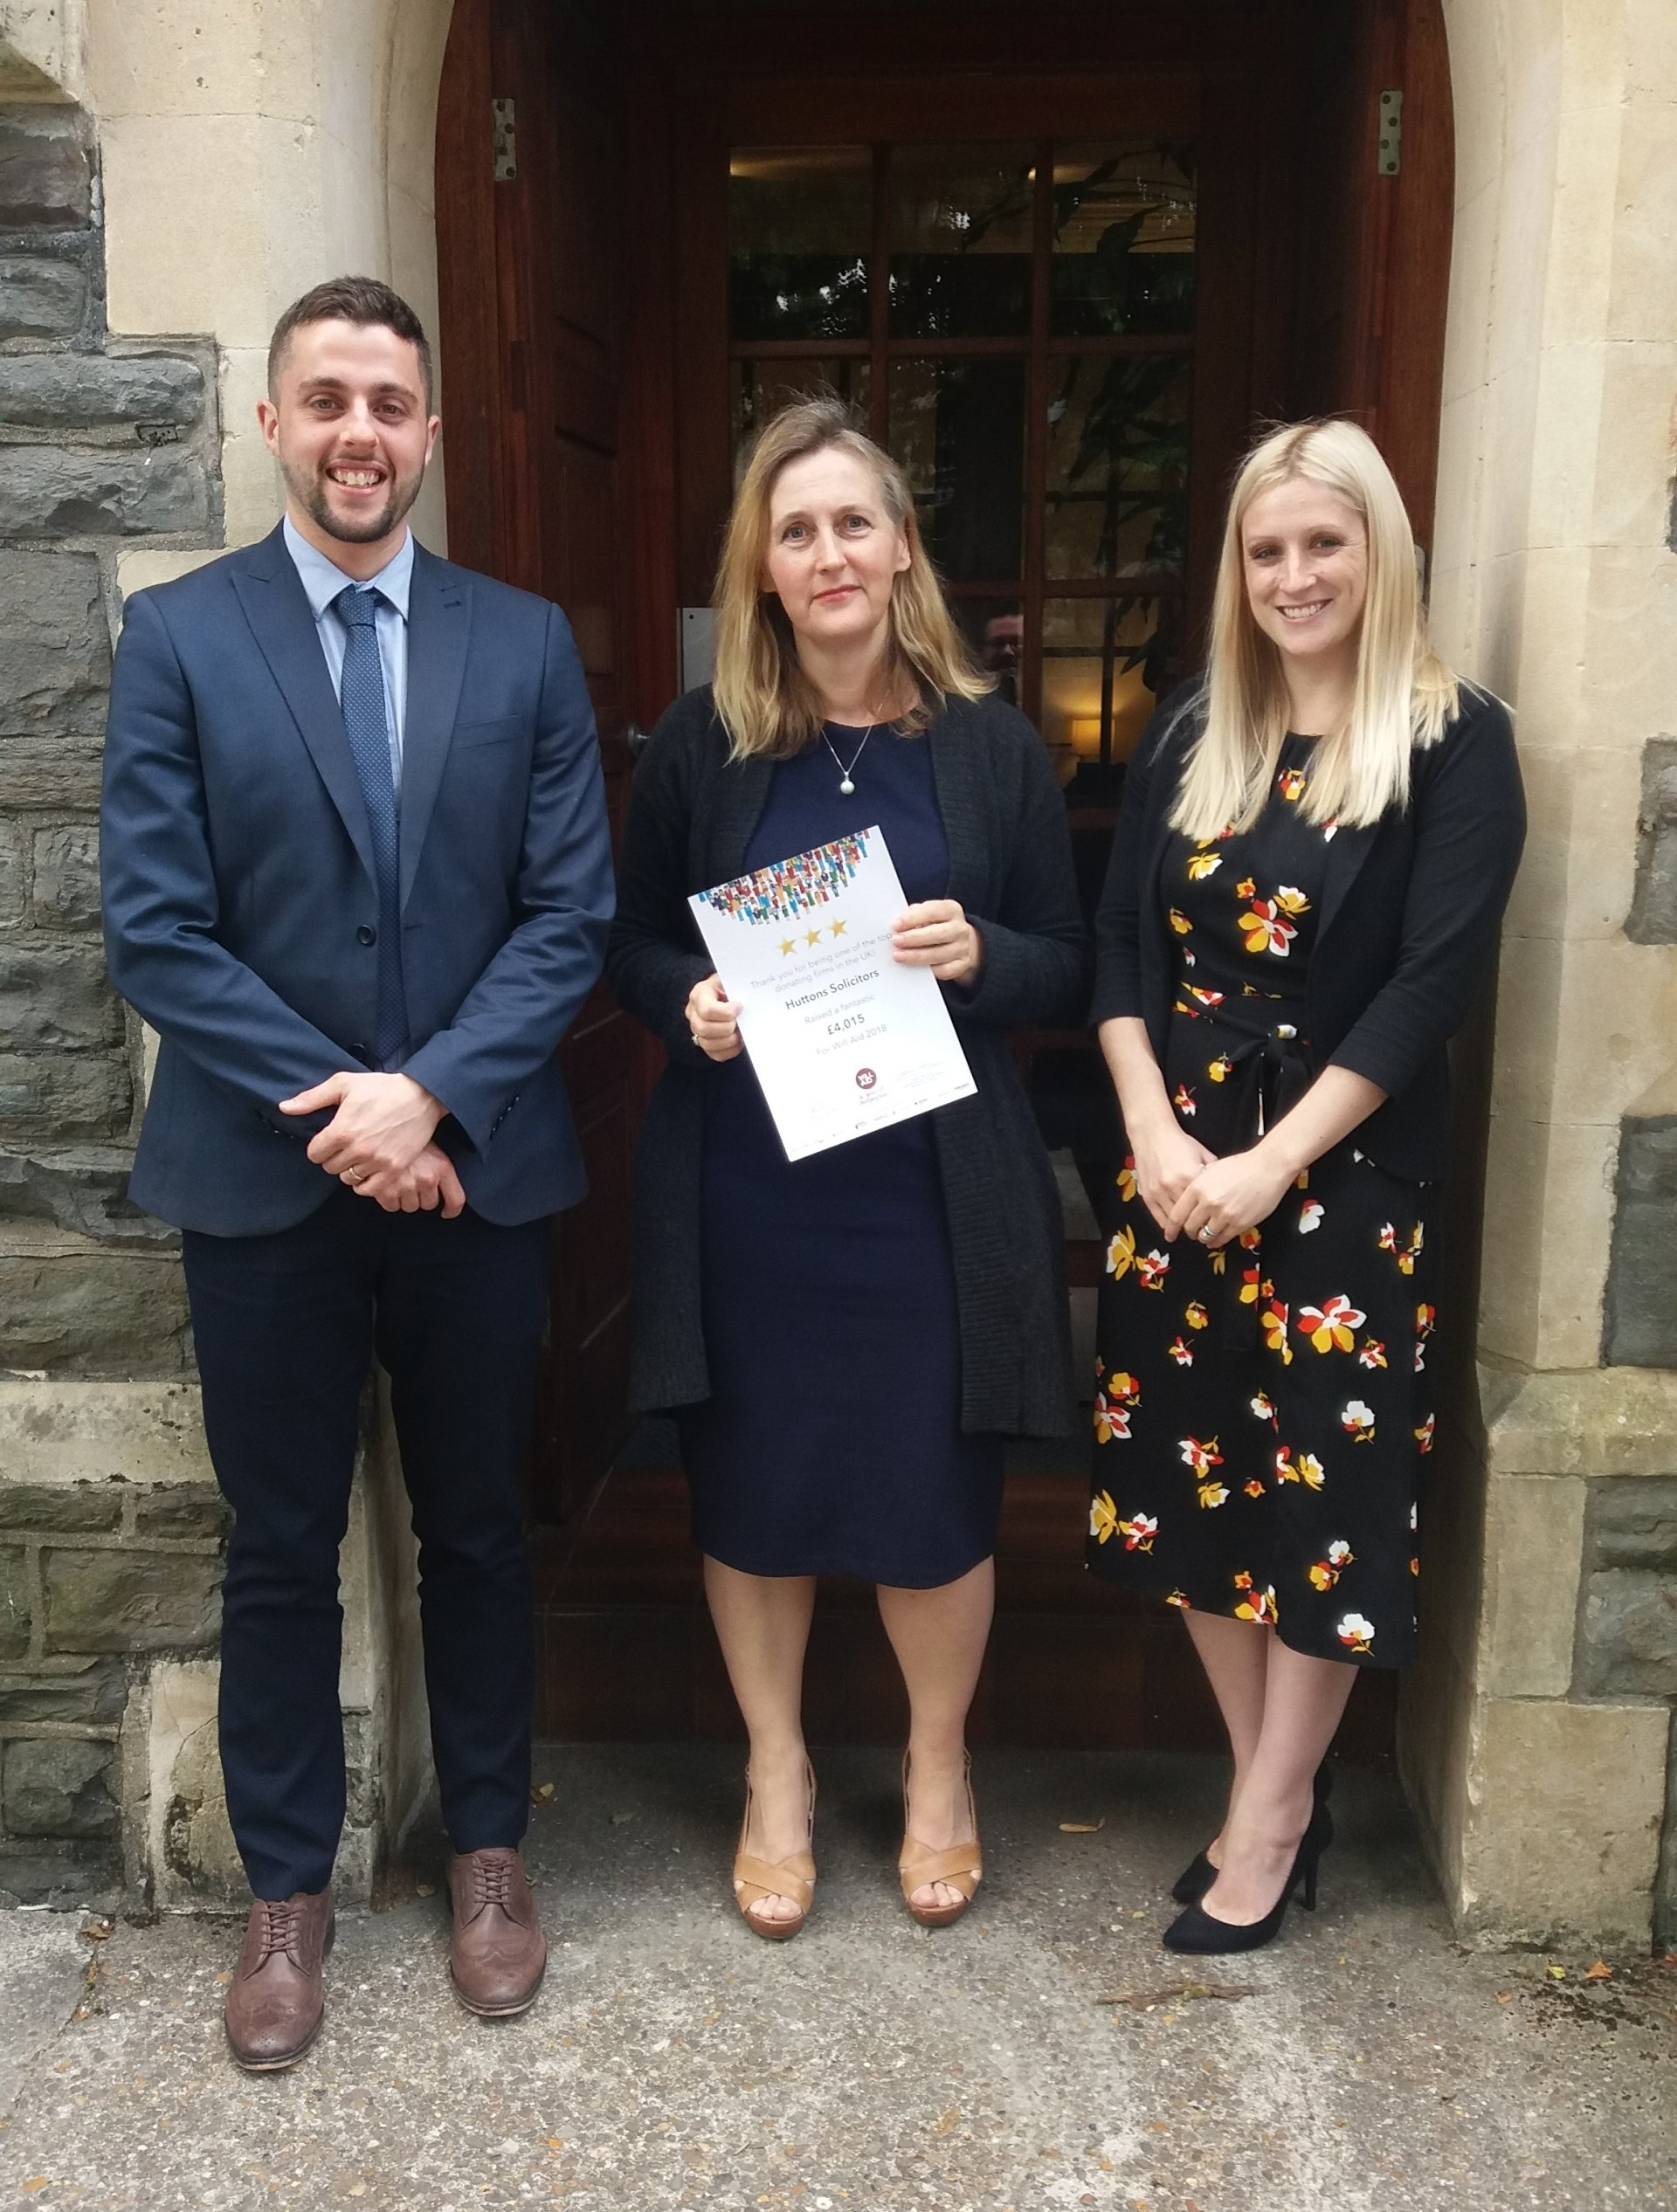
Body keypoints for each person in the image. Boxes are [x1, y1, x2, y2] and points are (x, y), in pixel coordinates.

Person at [100, 277, 615, 2065]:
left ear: (432, 432)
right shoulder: (180, 637)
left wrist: (434, 1100)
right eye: (325, 399)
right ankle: (285, 1898)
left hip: (480, 1181)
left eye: (389, 403)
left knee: (476, 1531)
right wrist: (354, 1112)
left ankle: (488, 1856)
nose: (358, 433)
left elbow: (568, 916)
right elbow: (158, 930)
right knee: (279, 1547)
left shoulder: (522, 644)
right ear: (272, 422)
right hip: (262, 1189)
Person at [607, 398, 1087, 1939]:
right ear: (762, 562)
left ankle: (939, 1767)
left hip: (934, 1197)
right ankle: (778, 1771)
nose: (828, 553)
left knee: (933, 1489)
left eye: (853, 524)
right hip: (752, 1189)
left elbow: (1071, 958)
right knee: (753, 1483)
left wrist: (984, 952)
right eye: (796, 528)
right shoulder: (706, 743)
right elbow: (630, 939)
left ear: (901, 550)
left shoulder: (991, 747)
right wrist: (683, 1003)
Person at [1087, 418, 1524, 1954]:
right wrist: (1152, 1134)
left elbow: (1431, 986)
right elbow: (1118, 945)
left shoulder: (1455, 739)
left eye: (1323, 544)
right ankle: (1270, 1784)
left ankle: (1270, 1820)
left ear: (1381, 549)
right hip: (1180, 1172)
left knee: (1320, 1503)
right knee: (1189, 1484)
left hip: (1340, 1179)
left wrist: (1279, 1161)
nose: (1293, 576)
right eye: (1266, 550)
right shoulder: (1196, 726)